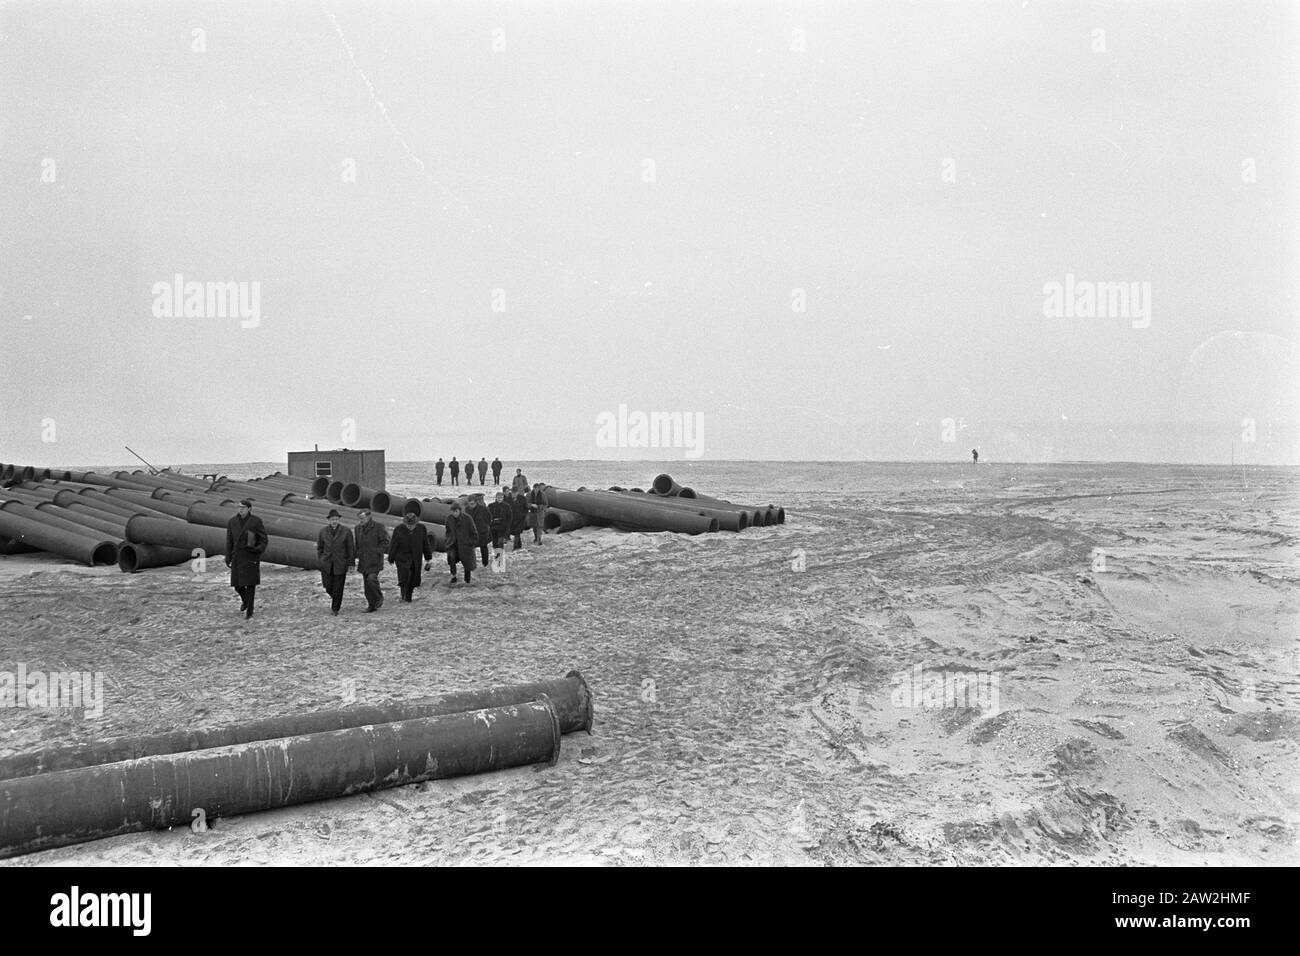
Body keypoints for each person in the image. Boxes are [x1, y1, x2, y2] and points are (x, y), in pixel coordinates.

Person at [225, 499, 268, 619]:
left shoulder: (256, 521)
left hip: (250, 556)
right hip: (237, 556)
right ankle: (245, 600)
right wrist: (228, 556)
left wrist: (258, 549)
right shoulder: (232, 522)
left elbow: (263, 539)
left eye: (243, 507)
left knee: (250, 585)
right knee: (237, 585)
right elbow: (229, 540)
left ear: (249, 509)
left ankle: (250, 611)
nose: (240, 509)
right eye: (239, 507)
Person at [316, 509, 356, 616]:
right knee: (328, 586)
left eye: (336, 519)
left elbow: (350, 548)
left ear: (339, 520)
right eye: (332, 519)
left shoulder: (346, 531)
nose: (334, 521)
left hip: (340, 563)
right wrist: (321, 559)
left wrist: (351, 563)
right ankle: (337, 598)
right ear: (328, 520)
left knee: (338, 587)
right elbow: (320, 548)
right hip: (327, 563)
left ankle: (335, 608)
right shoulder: (323, 531)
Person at [387, 510, 432, 601]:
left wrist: (428, 557)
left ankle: (408, 596)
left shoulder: (421, 528)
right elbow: (393, 544)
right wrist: (391, 558)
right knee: (404, 577)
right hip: (401, 557)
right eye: (408, 525)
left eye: (412, 525)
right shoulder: (399, 529)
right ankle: (404, 595)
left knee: (413, 577)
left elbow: (425, 543)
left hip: (415, 557)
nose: (410, 527)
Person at [354, 507, 390, 612]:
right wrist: (354, 557)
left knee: (371, 579)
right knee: (367, 587)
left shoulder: (378, 527)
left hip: (375, 560)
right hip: (363, 561)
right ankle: (371, 606)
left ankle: (379, 597)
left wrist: (377, 551)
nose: (361, 521)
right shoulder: (357, 528)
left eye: (362, 518)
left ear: (369, 517)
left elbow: (386, 541)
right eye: (359, 518)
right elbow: (357, 545)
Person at [443, 500, 478, 584]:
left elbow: (474, 532)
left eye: (456, 511)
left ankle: (467, 579)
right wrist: (448, 540)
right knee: (451, 558)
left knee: (467, 562)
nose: (454, 513)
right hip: (453, 543)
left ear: (459, 510)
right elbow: (447, 530)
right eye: (453, 511)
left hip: (465, 544)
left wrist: (470, 542)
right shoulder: (449, 519)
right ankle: (453, 576)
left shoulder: (467, 518)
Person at [468, 493, 492, 567]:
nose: (471, 505)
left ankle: (485, 563)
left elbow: (489, 518)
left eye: (472, 504)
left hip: (482, 532)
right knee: (471, 548)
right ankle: (472, 563)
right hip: (472, 532)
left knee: (483, 547)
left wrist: (484, 526)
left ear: (476, 502)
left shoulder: (483, 509)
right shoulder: (467, 509)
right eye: (470, 504)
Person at [487, 491, 511, 562]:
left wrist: (507, 525)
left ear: (503, 498)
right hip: (493, 527)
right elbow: (488, 516)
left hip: (502, 527)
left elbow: (509, 516)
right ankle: (496, 555)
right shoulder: (491, 506)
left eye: (501, 498)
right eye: (498, 498)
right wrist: (491, 522)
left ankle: (499, 557)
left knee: (500, 542)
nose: (499, 499)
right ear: (496, 498)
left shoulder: (506, 506)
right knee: (495, 542)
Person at [509, 485, 528, 550]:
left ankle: (515, 547)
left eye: (514, 492)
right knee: (516, 532)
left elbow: (526, 508)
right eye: (512, 492)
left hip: (520, 519)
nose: (513, 494)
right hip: (512, 519)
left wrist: (523, 514)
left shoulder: (522, 498)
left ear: (517, 492)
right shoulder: (508, 499)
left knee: (517, 532)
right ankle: (519, 545)